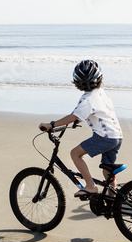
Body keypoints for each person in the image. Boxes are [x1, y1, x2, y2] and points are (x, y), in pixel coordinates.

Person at [39, 59, 123, 198]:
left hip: (104, 137)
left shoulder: (87, 99)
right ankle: (114, 202)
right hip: (117, 136)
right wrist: (78, 118)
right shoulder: (102, 93)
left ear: (77, 83)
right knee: (108, 170)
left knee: (75, 154)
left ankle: (91, 186)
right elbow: (93, 112)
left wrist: (51, 125)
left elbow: (73, 116)